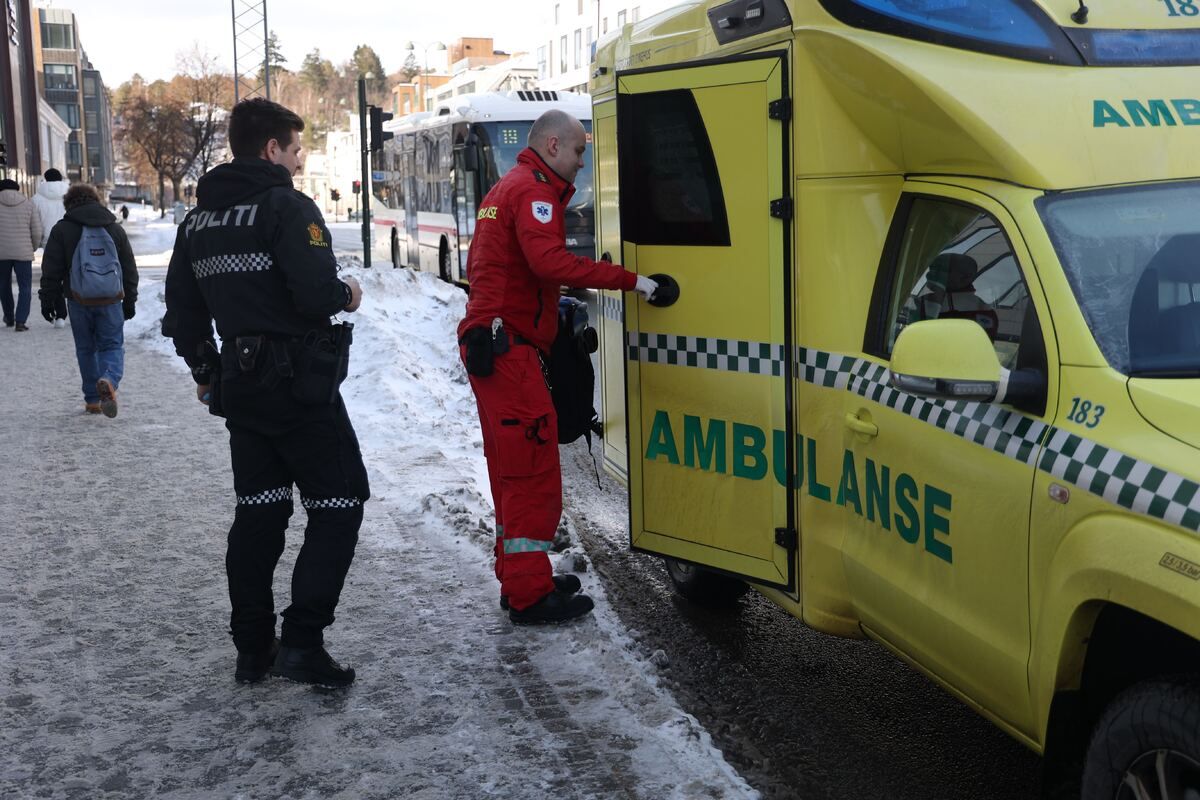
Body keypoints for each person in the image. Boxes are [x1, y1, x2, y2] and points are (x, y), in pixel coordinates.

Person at [162, 97, 368, 688]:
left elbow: (183, 313)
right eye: (296, 149)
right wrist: (346, 293)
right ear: (272, 148)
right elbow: (312, 294)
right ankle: (303, 640)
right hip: (302, 389)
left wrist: (208, 371)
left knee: (259, 513)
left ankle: (253, 648)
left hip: (245, 388)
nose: (300, 161)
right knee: (337, 506)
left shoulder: (197, 222)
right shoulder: (285, 205)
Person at [457, 109, 657, 625]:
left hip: (494, 345)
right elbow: (549, 263)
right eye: (577, 151)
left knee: (512, 469)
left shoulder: (507, 189)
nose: (581, 162)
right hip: (510, 350)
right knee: (530, 469)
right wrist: (632, 281)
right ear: (551, 145)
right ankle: (529, 596)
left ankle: (522, 576)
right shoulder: (533, 193)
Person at [39, 184, 137, 416]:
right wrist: (130, 299)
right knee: (112, 344)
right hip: (111, 299)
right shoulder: (113, 227)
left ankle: (93, 399)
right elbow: (129, 268)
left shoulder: (63, 229)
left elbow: (51, 269)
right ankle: (109, 379)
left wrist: (48, 299)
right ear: (96, 200)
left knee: (86, 348)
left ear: (69, 204)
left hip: (78, 299)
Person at [0, 178, 42, 332]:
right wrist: (32, 247)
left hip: (1, 253)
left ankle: (9, 317)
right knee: (25, 287)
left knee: (3, 285)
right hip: (23, 252)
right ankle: (21, 321)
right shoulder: (28, 204)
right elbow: (37, 231)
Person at [32, 168, 70, 328]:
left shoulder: (36, 199)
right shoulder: (70, 195)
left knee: (52, 278)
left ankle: (60, 314)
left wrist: (38, 242)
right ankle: (76, 309)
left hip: (49, 242)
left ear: (45, 179)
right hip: (70, 239)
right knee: (71, 273)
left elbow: (35, 223)